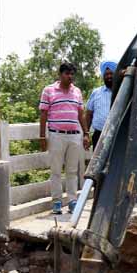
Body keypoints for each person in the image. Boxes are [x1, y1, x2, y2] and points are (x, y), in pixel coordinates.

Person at [39, 62, 89, 215]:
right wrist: (42, 136)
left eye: (72, 74)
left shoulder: (77, 92)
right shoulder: (49, 91)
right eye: (67, 73)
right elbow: (43, 114)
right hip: (56, 135)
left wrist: (86, 133)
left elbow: (80, 114)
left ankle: (73, 201)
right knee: (55, 171)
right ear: (60, 75)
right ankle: (57, 202)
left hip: (74, 136)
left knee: (72, 171)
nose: (70, 76)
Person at [85, 60, 116, 150]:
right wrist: (86, 134)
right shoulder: (96, 92)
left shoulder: (122, 92)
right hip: (99, 135)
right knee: (98, 162)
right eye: (106, 74)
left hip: (118, 135)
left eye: (111, 73)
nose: (109, 76)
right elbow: (88, 114)